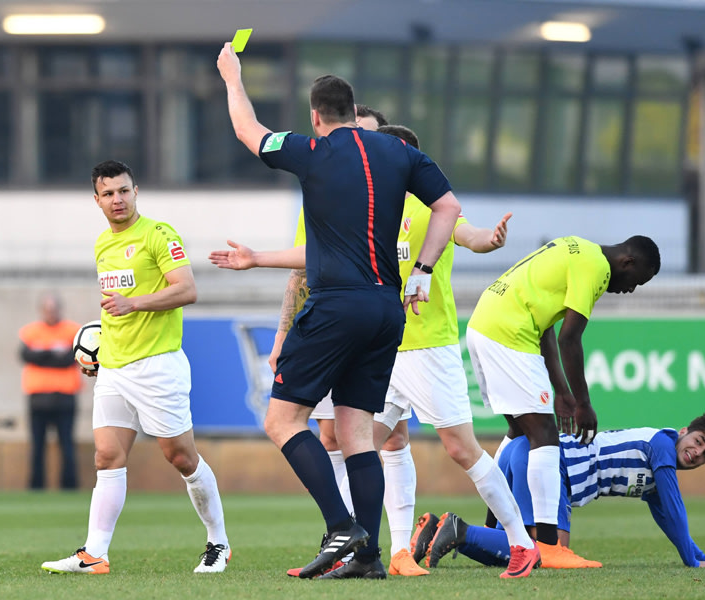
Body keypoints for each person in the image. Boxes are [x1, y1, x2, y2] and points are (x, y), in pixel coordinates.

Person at [210, 125, 540, 581]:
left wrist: (492, 239)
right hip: (383, 346)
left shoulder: (426, 206)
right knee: (355, 443)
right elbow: (313, 256)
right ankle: (363, 549)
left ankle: (522, 544)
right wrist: (258, 259)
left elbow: (468, 233)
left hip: (427, 347)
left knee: (460, 448)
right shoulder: (363, 205)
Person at [217, 41, 463, 580]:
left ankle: (341, 527)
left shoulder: (311, 150)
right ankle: (368, 557)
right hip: (386, 309)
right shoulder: (400, 153)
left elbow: (247, 130)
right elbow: (448, 207)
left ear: (316, 117)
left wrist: (233, 77)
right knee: (356, 436)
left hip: (336, 307)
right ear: (356, 113)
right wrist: (420, 270)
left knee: (281, 420)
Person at [41, 160, 230, 575]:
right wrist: (97, 353)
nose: (117, 199)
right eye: (108, 193)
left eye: (123, 191)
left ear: (136, 191)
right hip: (114, 368)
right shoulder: (102, 245)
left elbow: (187, 290)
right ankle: (94, 554)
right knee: (107, 457)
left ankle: (219, 542)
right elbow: (114, 311)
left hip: (158, 365)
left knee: (181, 457)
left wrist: (136, 303)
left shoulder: (158, 235)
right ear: (97, 200)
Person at [465, 234, 661, 567]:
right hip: (507, 332)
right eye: (635, 281)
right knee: (546, 436)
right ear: (627, 262)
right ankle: (550, 546)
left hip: (486, 322)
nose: (630, 289)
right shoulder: (596, 267)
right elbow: (570, 338)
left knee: (519, 430)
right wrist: (583, 403)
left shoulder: (576, 246)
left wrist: (562, 392)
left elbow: (547, 331)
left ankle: (491, 527)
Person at [421, 413, 705, 570]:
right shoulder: (663, 446)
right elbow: (675, 506)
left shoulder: (657, 469)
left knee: (524, 555)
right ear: (684, 432)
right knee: (547, 553)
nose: (698, 452)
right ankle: (459, 531)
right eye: (698, 442)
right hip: (553, 464)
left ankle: (443, 530)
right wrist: (692, 564)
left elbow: (670, 519)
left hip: (531, 454)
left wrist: (702, 557)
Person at [18, 292, 82, 490]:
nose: (51, 313)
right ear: (42, 311)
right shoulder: (30, 332)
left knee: (67, 444)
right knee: (37, 446)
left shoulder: (72, 330)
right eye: (47, 309)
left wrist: (43, 354)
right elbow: (27, 355)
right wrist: (53, 353)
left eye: (54, 309)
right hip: (38, 397)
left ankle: (69, 486)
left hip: (65, 396)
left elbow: (68, 358)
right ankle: (36, 485)